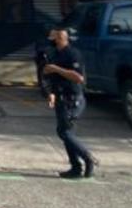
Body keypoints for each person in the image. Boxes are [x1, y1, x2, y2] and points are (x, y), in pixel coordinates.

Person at [41, 27, 98, 179]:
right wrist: (51, 93)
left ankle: (87, 156)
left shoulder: (72, 54)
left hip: (72, 99)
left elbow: (79, 78)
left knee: (64, 132)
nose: (52, 40)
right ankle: (76, 167)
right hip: (61, 98)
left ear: (62, 39)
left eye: (55, 37)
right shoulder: (54, 54)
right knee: (66, 133)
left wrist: (56, 69)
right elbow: (50, 77)